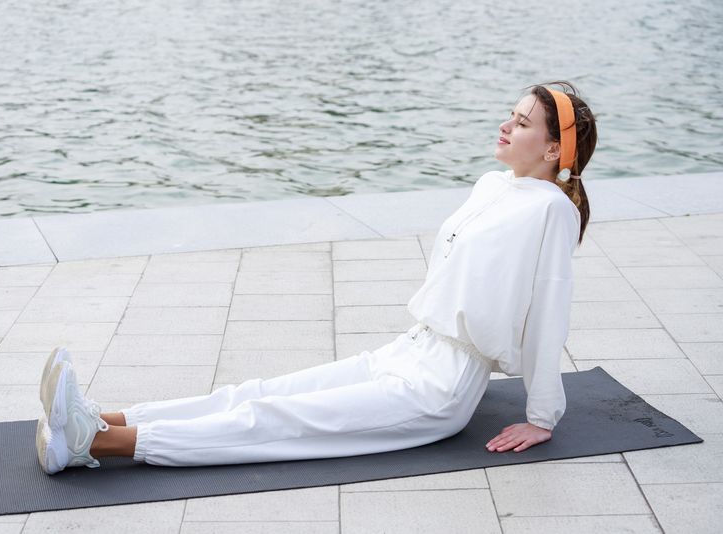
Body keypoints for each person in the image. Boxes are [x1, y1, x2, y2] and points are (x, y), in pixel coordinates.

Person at [35, 80, 598, 475]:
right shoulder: (492, 186)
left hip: (441, 386)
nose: (505, 124)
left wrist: (541, 417)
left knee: (276, 419)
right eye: (511, 114)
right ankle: (101, 417)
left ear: (554, 148)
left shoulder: (551, 209)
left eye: (522, 122)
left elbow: (550, 312)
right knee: (258, 393)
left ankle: (93, 444)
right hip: (409, 348)